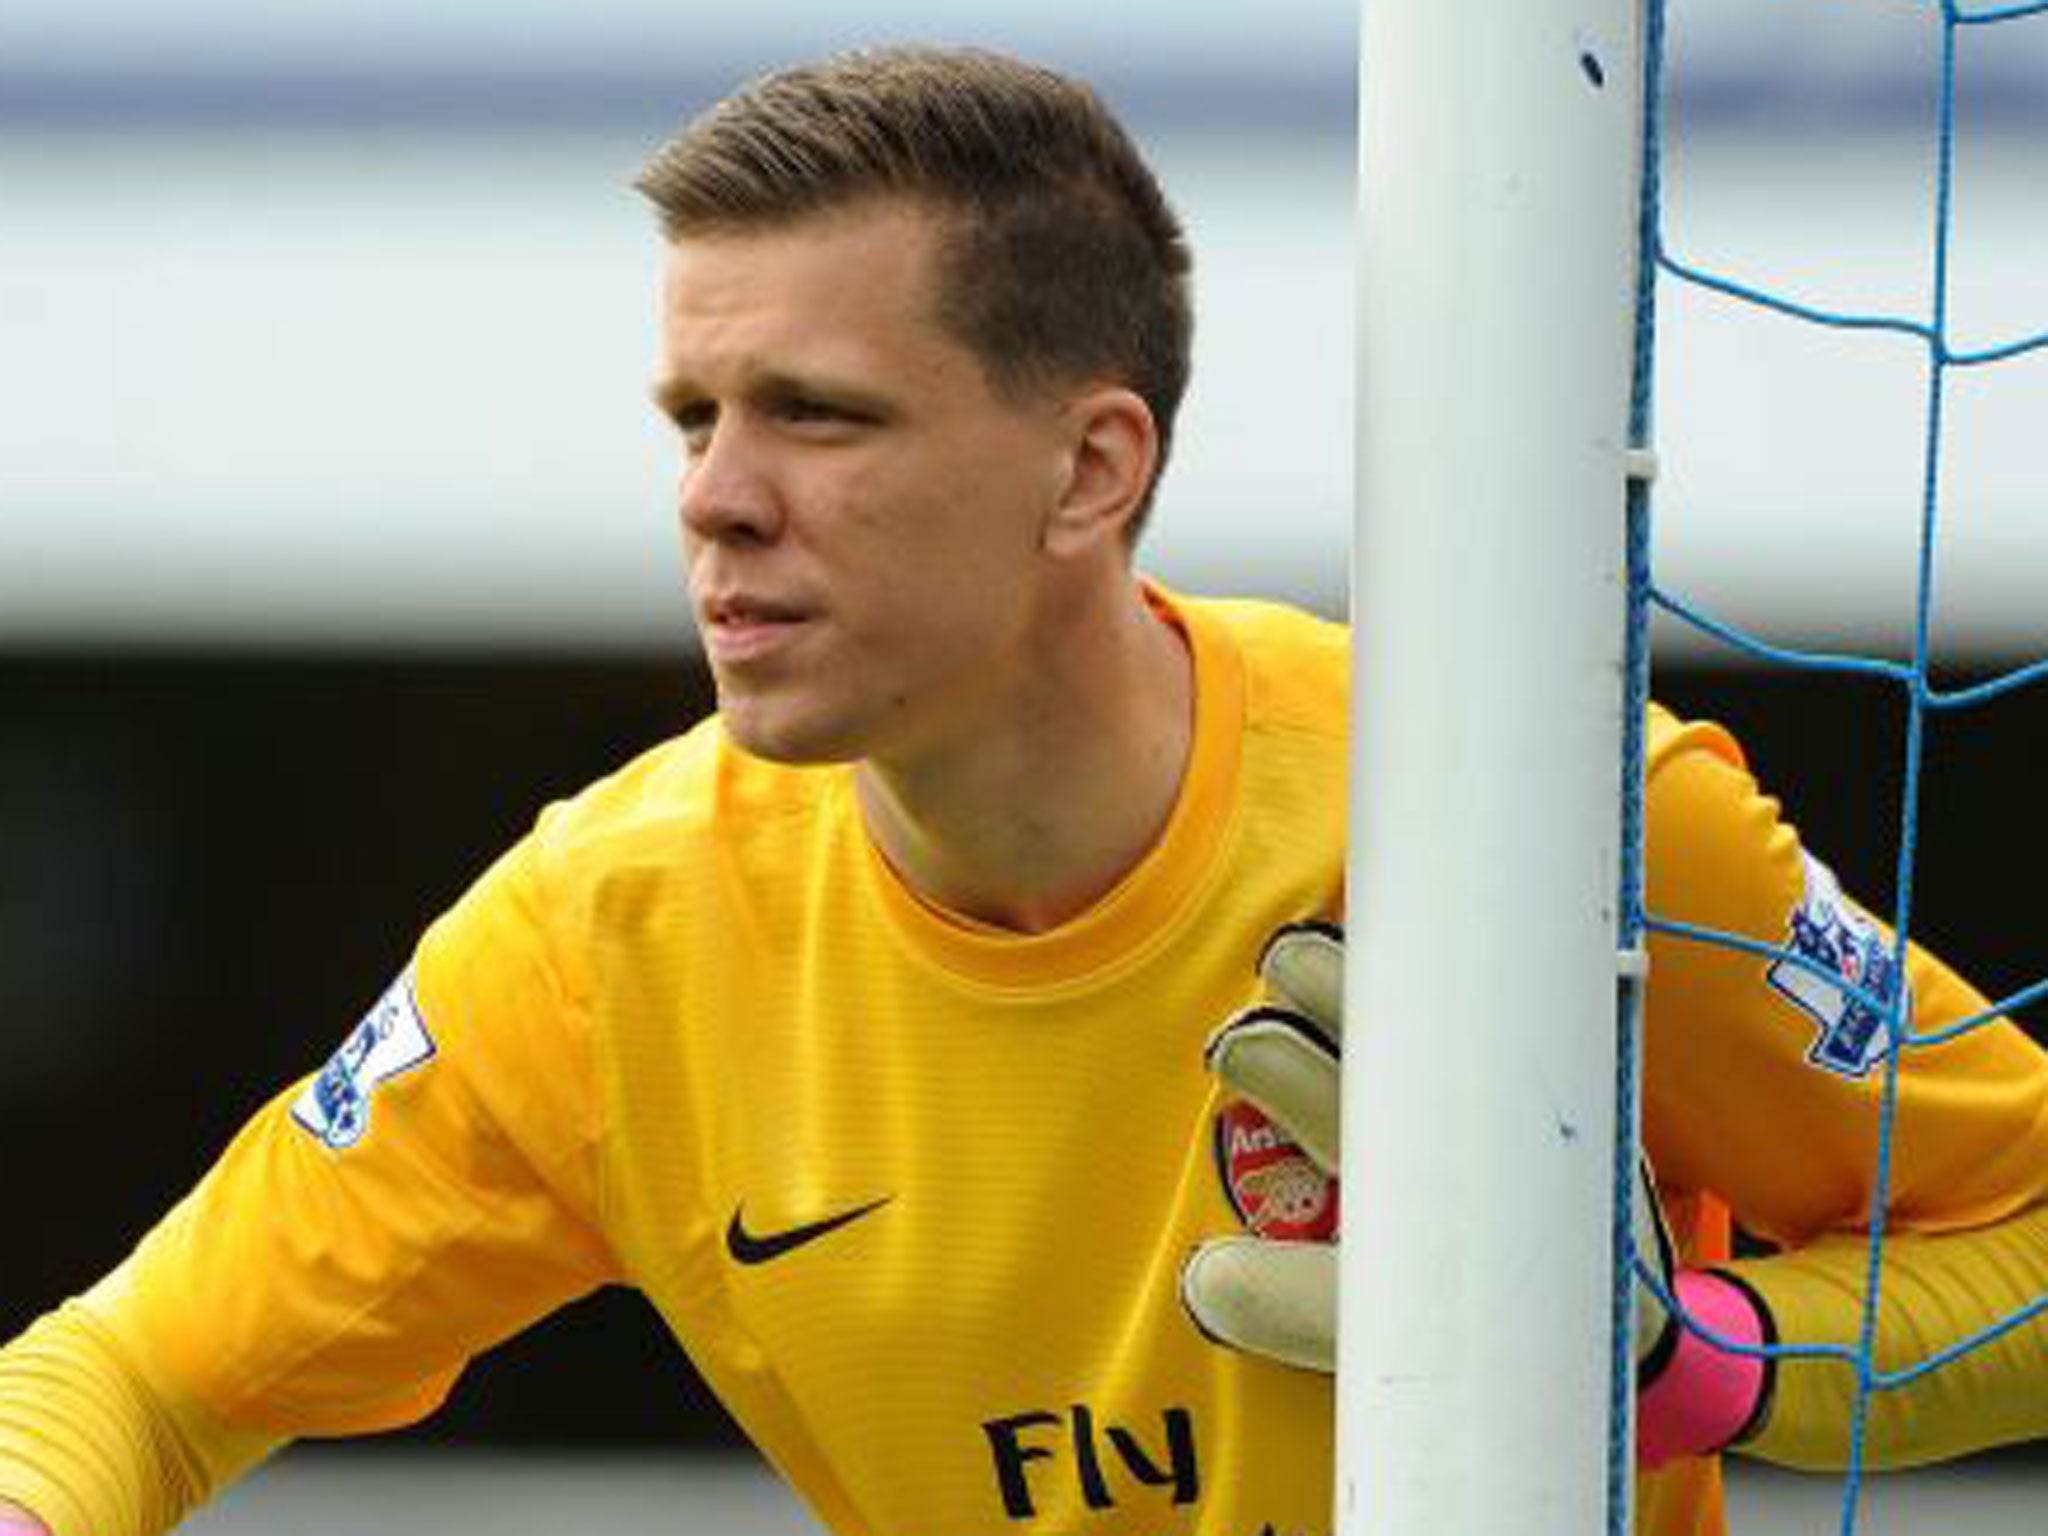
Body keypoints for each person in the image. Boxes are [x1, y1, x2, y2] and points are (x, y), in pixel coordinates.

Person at [2, 43, 2047, 1536]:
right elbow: (116, 1375)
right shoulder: (604, 933)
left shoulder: (1540, 820)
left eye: (815, 413)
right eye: (693, 413)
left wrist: (1682, 1360)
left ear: (1092, 469)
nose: (713, 498)